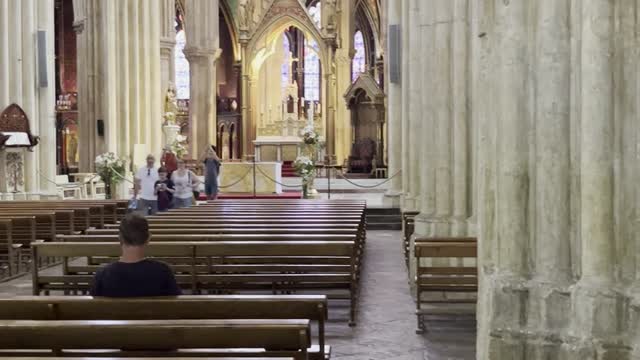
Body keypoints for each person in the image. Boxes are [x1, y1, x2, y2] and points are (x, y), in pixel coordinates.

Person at [90, 213, 181, 297]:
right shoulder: (163, 271)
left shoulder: (103, 274)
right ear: (148, 238)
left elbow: (93, 308)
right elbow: (177, 304)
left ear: (120, 238)